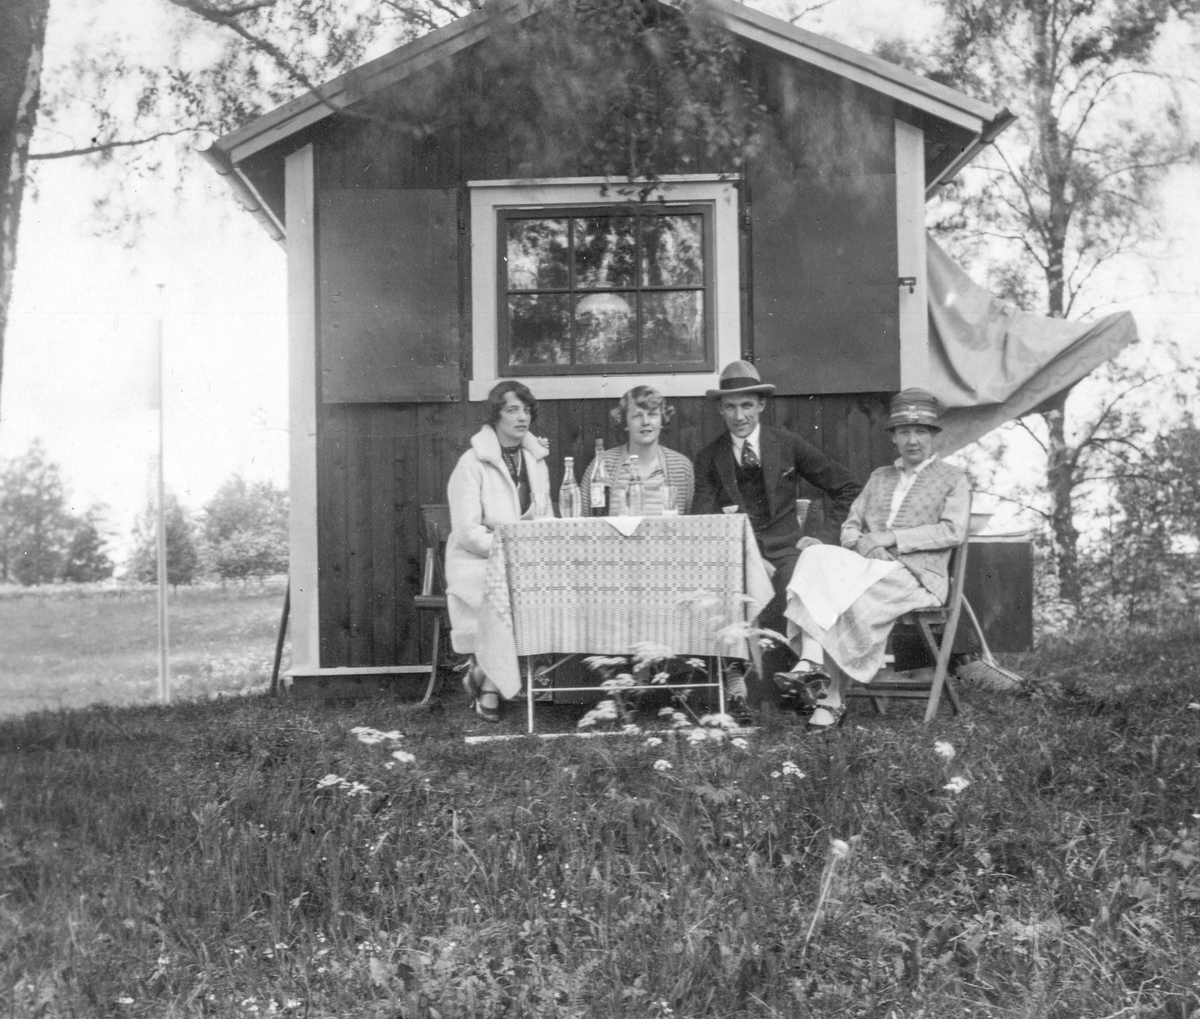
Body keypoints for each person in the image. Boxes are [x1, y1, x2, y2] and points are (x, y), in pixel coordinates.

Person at [776, 388, 970, 730]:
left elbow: (953, 531)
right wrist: (866, 545)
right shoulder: (880, 478)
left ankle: (831, 698)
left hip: (918, 578)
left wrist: (891, 539)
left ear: (933, 436)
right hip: (870, 568)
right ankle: (810, 660)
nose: (913, 440)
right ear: (893, 437)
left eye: (921, 431)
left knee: (841, 596)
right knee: (816, 553)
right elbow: (851, 527)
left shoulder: (953, 480)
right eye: (904, 431)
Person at [692, 360, 862, 722]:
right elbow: (704, 522)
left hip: (788, 551)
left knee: (793, 582)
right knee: (742, 589)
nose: (740, 416)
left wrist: (823, 538)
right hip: (738, 556)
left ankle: (797, 689)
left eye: (747, 405)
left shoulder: (786, 445)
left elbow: (847, 487)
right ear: (721, 409)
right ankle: (755, 695)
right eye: (731, 407)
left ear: (761, 405)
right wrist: (750, 556)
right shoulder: (709, 458)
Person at [445, 382, 551, 722]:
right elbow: (467, 532)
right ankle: (490, 685)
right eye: (512, 410)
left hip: (523, 561)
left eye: (526, 410)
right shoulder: (471, 463)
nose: (522, 417)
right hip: (478, 561)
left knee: (540, 588)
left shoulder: (535, 461)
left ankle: (482, 676)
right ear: (496, 416)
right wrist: (510, 550)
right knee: (510, 592)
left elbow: (544, 517)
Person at [580, 385, 694, 516]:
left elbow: (691, 525)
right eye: (637, 416)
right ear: (625, 423)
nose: (645, 422)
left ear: (662, 420)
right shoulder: (603, 464)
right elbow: (581, 522)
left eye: (652, 414)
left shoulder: (681, 467)